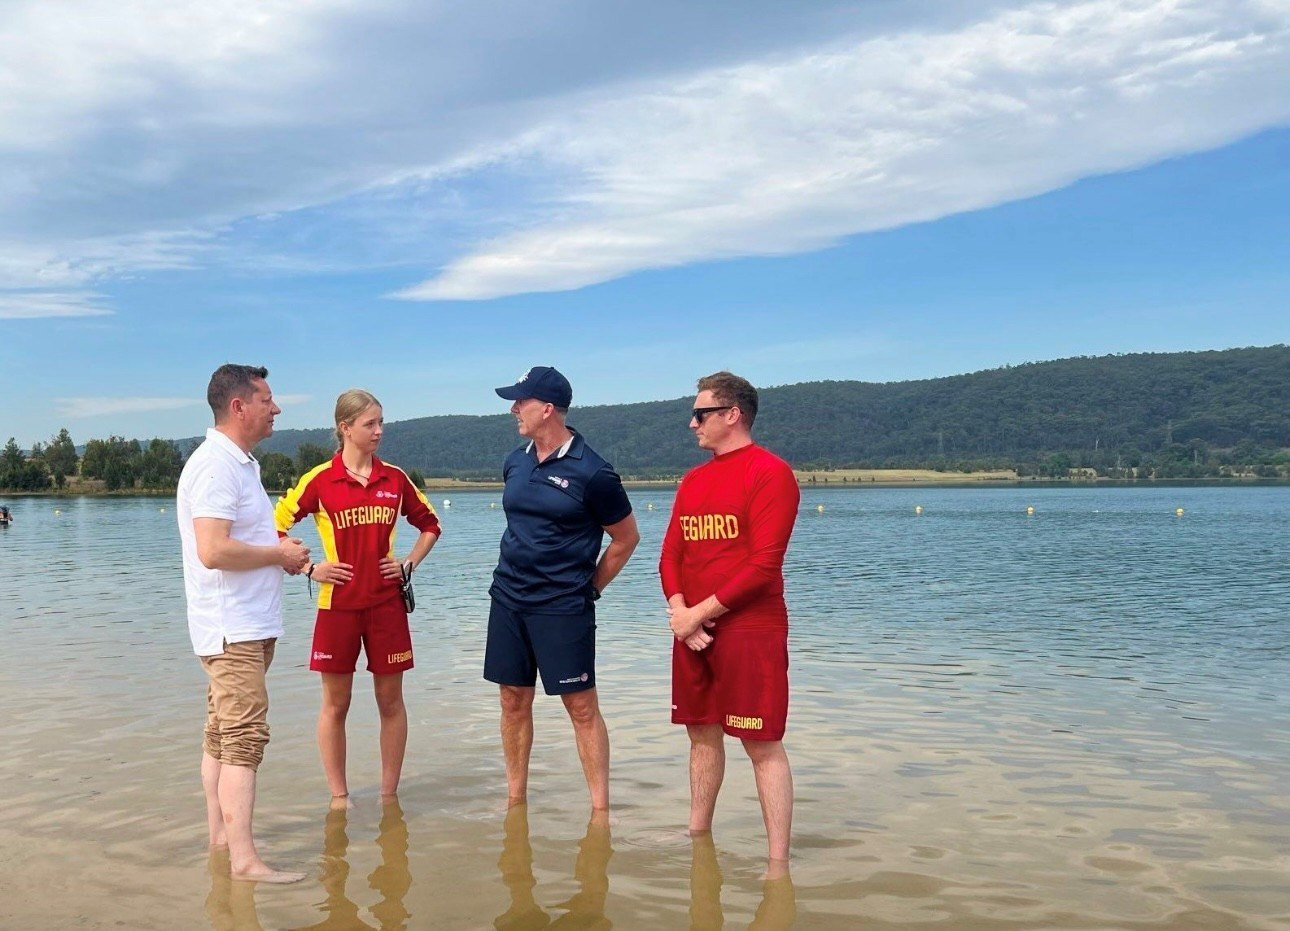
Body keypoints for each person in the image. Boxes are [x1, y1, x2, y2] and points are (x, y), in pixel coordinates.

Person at [176, 363, 311, 883]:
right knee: (244, 738)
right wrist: (278, 554)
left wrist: (288, 559)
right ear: (239, 407)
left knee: (221, 735)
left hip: (244, 625)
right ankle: (245, 862)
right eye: (267, 400)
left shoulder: (239, 463)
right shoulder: (216, 466)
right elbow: (213, 549)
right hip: (231, 628)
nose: (275, 408)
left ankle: (220, 839)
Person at [659, 371, 801, 864]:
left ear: (732, 415)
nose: (692, 422)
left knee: (761, 744)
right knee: (700, 736)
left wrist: (698, 613)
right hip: (692, 631)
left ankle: (777, 865)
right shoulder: (694, 479)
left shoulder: (770, 472)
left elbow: (764, 566)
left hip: (749, 629)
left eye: (701, 413)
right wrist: (681, 612)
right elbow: (670, 554)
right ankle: (697, 837)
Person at [275, 389, 441, 804]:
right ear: (345, 428)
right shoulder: (320, 480)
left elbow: (431, 524)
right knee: (337, 704)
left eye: (381, 422)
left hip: (387, 605)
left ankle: (389, 796)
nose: (379, 431)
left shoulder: (395, 478)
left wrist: (407, 563)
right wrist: (309, 567)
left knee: (391, 701)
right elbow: (271, 527)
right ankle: (339, 797)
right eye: (370, 424)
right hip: (338, 607)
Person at [486, 365, 640, 811]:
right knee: (513, 700)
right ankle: (515, 801)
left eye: (521, 401)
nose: (514, 408)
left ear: (547, 408)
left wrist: (590, 588)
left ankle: (600, 812)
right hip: (508, 600)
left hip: (562, 606)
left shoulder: (594, 473)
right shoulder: (515, 460)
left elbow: (626, 538)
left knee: (581, 707)